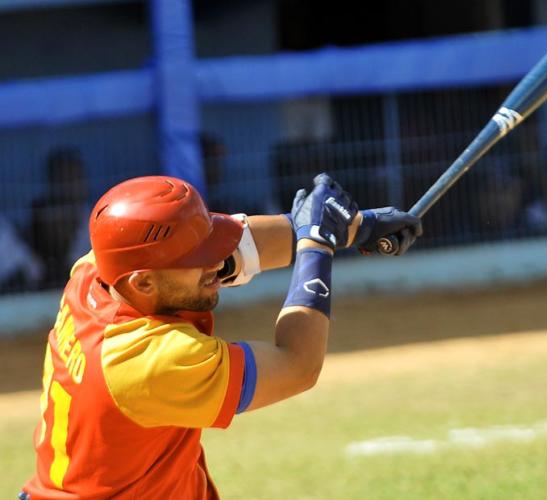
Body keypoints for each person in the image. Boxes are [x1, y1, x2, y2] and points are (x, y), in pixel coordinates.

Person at [20, 173, 421, 499]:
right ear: (143, 282)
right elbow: (297, 365)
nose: (215, 261)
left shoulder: (98, 271)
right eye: (197, 259)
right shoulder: (147, 361)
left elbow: (239, 247)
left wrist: (355, 229)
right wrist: (316, 244)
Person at [28, 148, 91, 287]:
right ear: (53, 182)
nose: (72, 185)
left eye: (76, 177)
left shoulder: (93, 219)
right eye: (65, 178)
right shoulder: (41, 214)